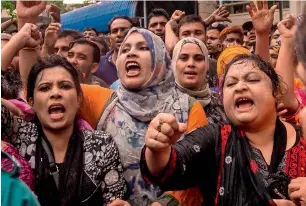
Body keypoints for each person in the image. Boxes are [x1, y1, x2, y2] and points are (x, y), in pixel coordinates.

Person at [141, 54, 306, 206]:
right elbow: (171, 166)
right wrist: (158, 149)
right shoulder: (215, 138)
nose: (240, 87)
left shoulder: (304, 136)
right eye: (231, 83)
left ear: (275, 92)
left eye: (253, 80)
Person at [81, 27, 207, 205]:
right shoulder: (105, 103)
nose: (131, 53)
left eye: (143, 47)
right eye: (125, 49)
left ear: (160, 58)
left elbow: (197, 172)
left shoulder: (189, 108)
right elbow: (46, 88)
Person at [1, 55, 127, 206]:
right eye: (44, 88)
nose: (55, 93)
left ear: (79, 98)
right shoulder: (17, 134)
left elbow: (114, 200)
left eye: (65, 86)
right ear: (31, 101)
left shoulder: (101, 144)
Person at [172, 37, 227, 125]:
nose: (191, 64)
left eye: (198, 58)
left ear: (207, 66)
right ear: (174, 64)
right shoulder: (162, 104)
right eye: (184, 58)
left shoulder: (222, 103)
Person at [94, 16, 137, 86]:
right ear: (110, 37)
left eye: (124, 30)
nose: (119, 34)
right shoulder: (97, 65)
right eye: (114, 31)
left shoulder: (145, 62)